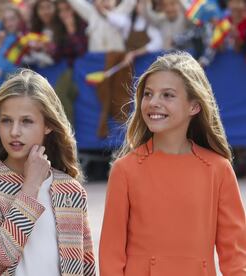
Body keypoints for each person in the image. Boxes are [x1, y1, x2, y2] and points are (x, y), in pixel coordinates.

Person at [99, 51, 246, 275]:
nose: (153, 102)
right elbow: (111, 254)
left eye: (168, 95)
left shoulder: (218, 169)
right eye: (148, 94)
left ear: (194, 106)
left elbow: (235, 256)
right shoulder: (125, 170)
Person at [0, 69, 96, 276]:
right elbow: (3, 252)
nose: (14, 131)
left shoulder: (70, 190)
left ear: (48, 125)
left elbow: (87, 268)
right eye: (6, 120)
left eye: (26, 121)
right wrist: (31, 185)